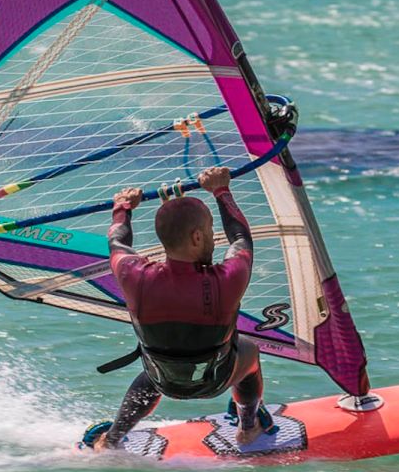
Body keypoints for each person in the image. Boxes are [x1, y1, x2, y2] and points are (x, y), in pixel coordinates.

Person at [90, 166, 270, 451]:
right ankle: (249, 427)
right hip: (215, 381)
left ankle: (111, 439)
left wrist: (123, 208)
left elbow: (117, 240)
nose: (213, 237)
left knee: (156, 366)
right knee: (249, 350)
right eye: (210, 231)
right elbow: (241, 239)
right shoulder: (228, 279)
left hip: (163, 381)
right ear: (198, 237)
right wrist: (221, 191)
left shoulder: (133, 275)